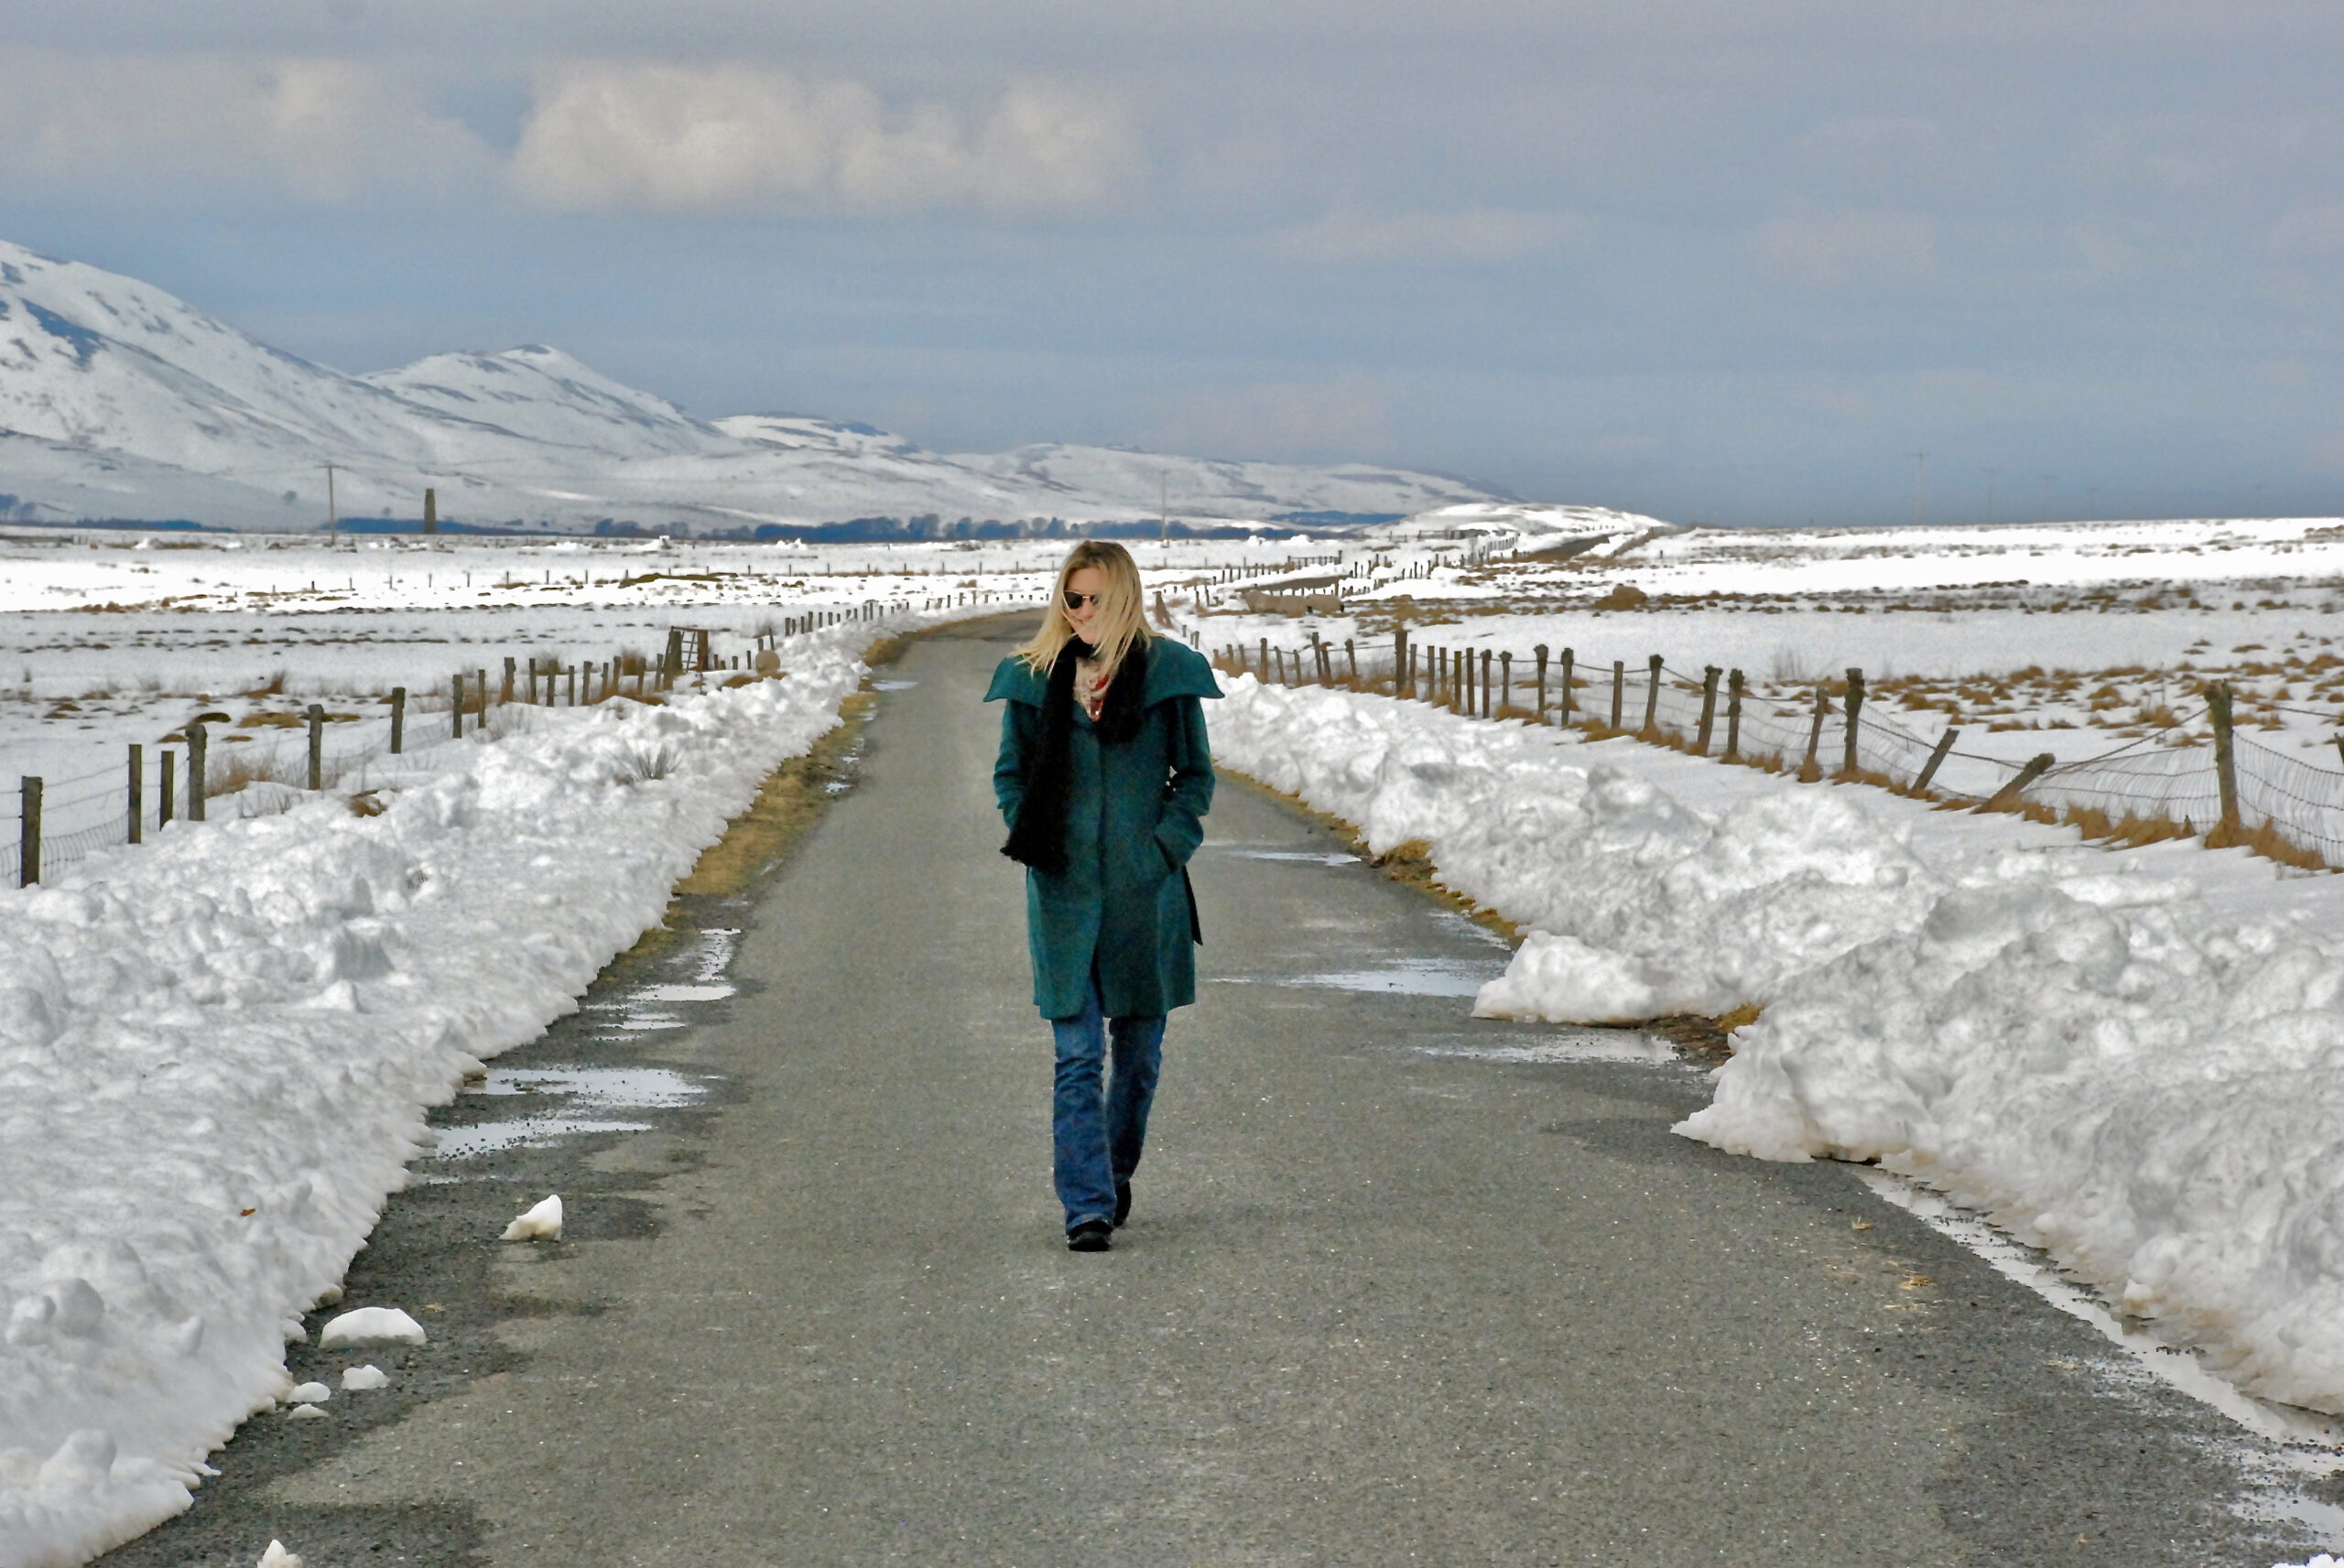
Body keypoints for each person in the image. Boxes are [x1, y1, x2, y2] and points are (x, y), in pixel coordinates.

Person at [987, 540, 1221, 1252]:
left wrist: (1160, 850)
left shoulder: (1169, 675)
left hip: (1144, 898)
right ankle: (1086, 1205)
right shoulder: (1033, 679)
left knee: (1139, 1055)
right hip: (1062, 895)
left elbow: (1196, 779)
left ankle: (1113, 1172)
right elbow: (1011, 775)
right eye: (1072, 597)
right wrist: (1032, 834)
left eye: (1095, 598)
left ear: (1125, 599)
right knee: (1077, 1053)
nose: (1082, 611)